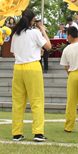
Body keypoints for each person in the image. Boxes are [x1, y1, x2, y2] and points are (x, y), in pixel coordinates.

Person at [10, 9, 51, 142]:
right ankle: (38, 132)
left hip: (18, 67)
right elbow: (48, 46)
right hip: (32, 66)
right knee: (37, 100)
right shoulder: (35, 32)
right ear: (33, 20)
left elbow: (13, 52)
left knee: (18, 102)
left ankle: (17, 132)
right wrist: (43, 31)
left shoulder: (16, 34)